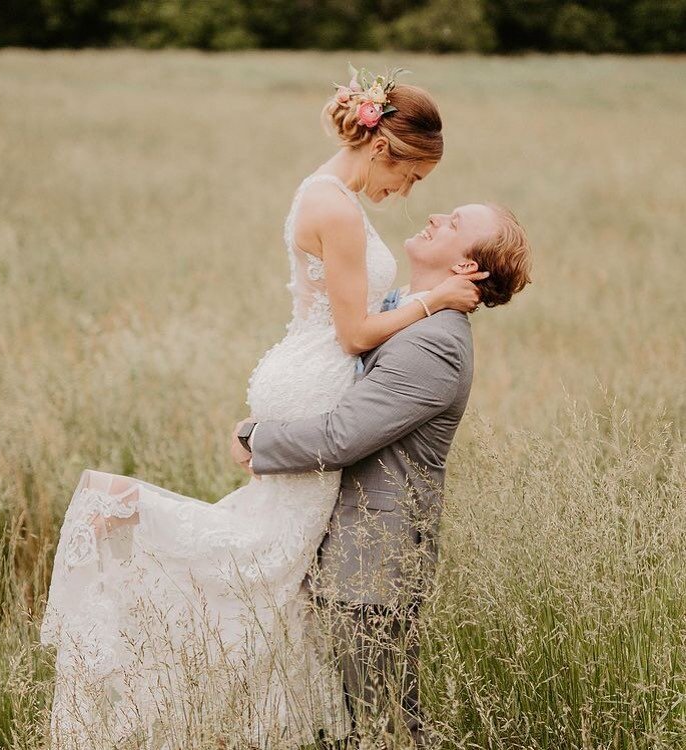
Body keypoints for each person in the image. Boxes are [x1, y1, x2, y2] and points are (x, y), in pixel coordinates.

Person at [40, 67, 485, 749]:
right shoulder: (336, 207)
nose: (409, 193)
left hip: (306, 370)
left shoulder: (328, 191)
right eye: (414, 176)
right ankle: (116, 511)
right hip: (314, 376)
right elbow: (356, 334)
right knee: (258, 559)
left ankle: (244, 717)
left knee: (271, 560)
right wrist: (434, 300)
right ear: (383, 150)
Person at [231, 202, 532, 748]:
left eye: (456, 224)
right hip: (339, 551)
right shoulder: (408, 316)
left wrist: (257, 438)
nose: (438, 217)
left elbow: (342, 436)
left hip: (373, 565)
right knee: (341, 726)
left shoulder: (436, 344)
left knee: (385, 726)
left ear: (468, 269)